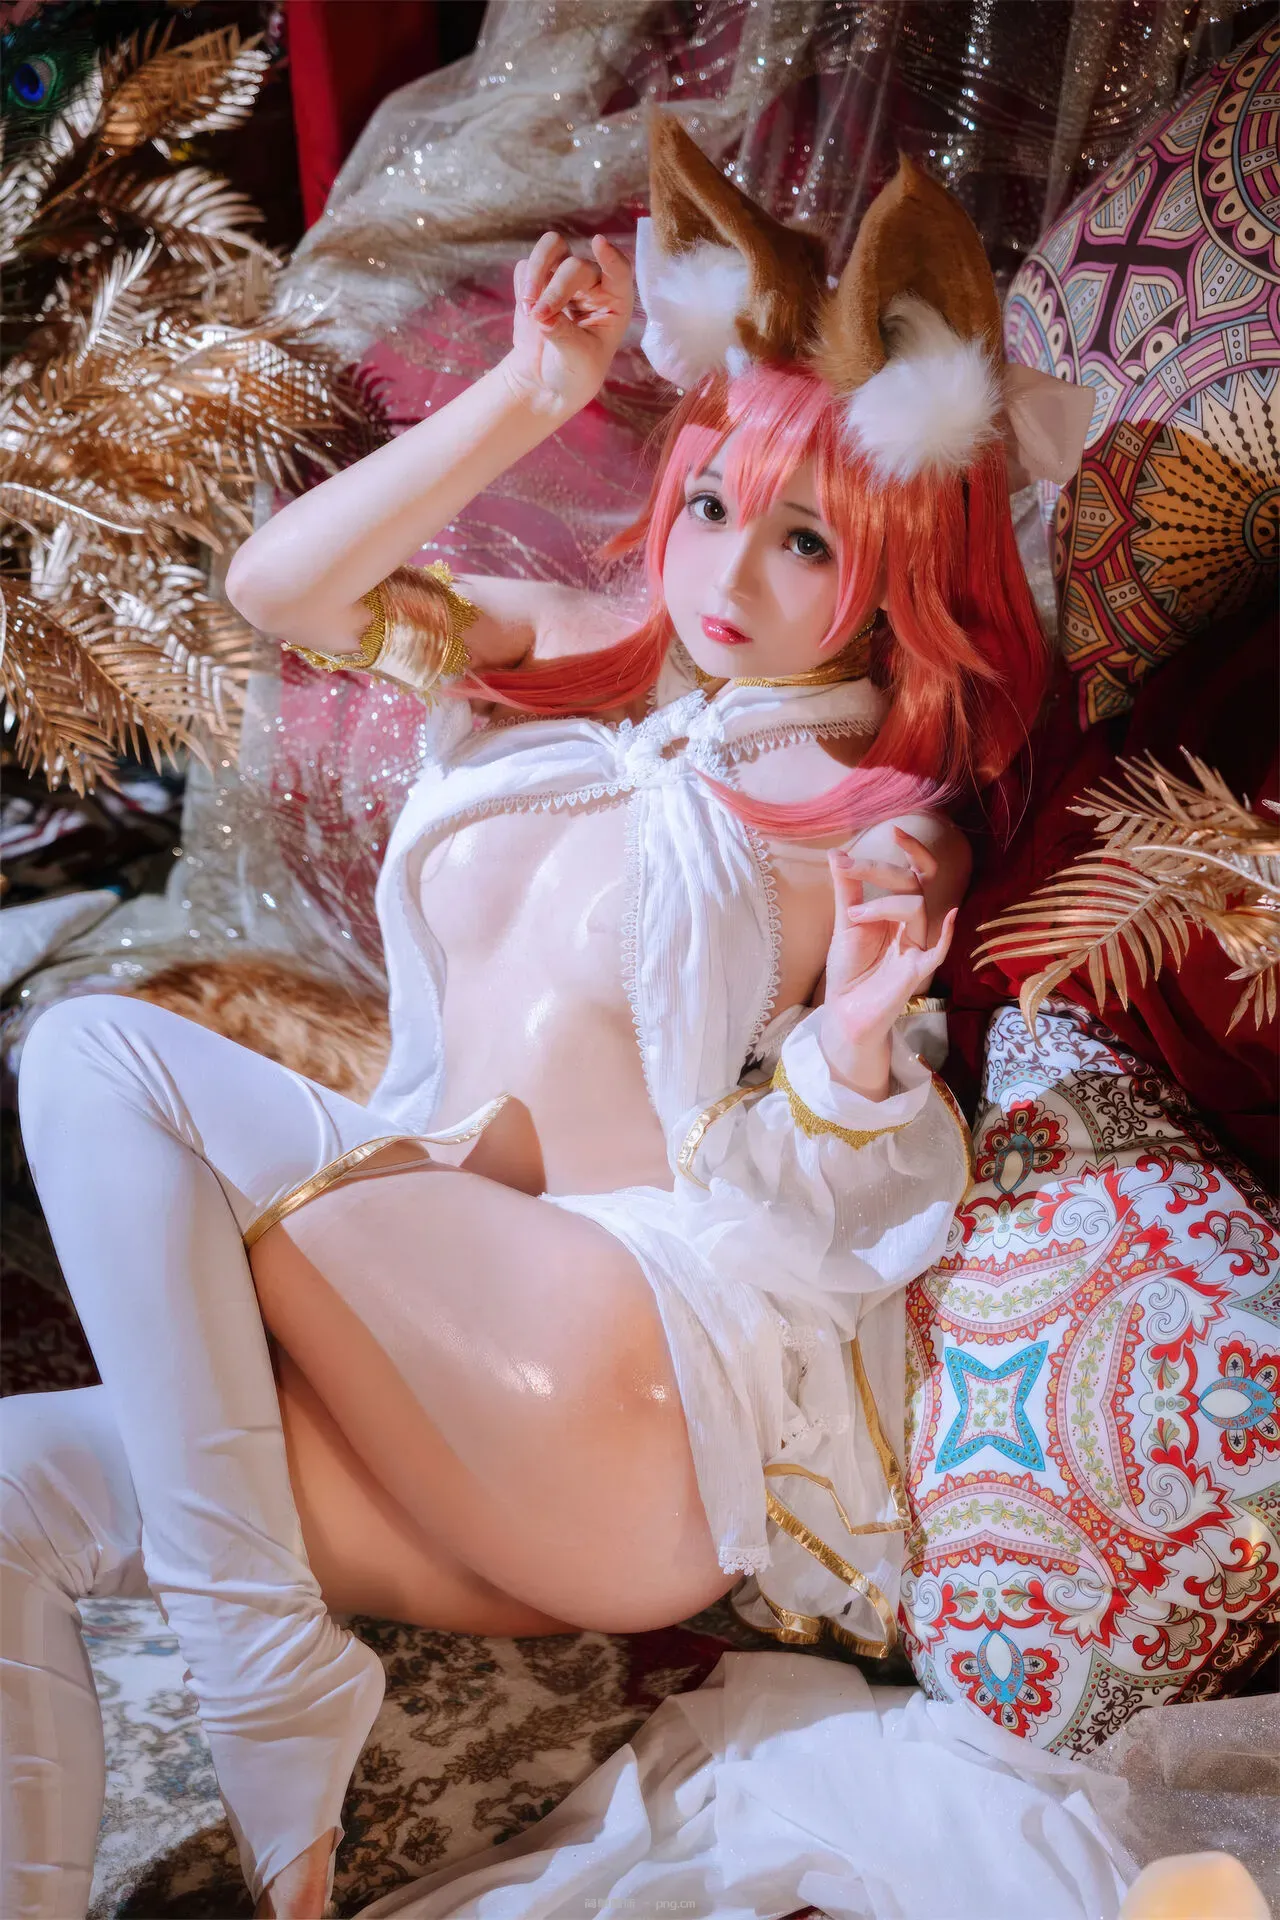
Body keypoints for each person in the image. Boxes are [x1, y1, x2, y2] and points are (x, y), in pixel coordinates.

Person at [0, 122, 1091, 1920]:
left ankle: (267, 1680)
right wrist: (530, 390)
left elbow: (841, 1177)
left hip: (616, 1384)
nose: (729, 576)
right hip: (438, 1361)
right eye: (714, 507)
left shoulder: (873, 817)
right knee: (11, 1498)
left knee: (94, 1050)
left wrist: (848, 1058)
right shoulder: (580, 649)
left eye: (805, 540)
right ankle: (236, 1685)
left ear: (899, 557)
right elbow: (277, 594)